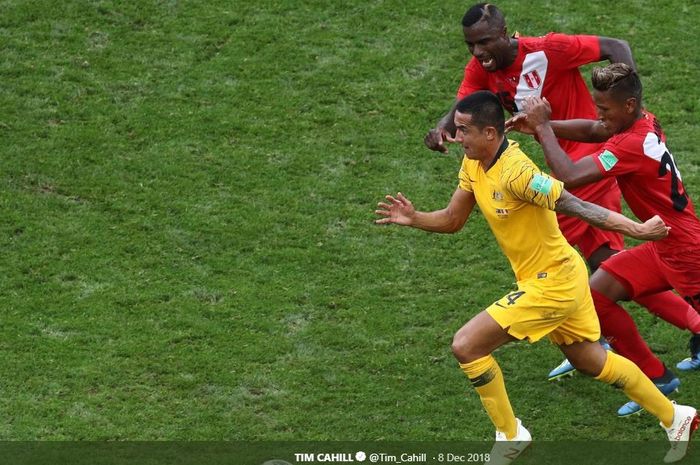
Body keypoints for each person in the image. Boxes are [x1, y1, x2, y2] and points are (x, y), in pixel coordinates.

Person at [376, 91, 697, 465]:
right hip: (553, 277)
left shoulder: (520, 173)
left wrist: (636, 230)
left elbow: (577, 205)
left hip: (553, 283)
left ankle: (511, 436)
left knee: (467, 345)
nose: (456, 136)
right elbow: (452, 219)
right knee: (591, 361)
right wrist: (415, 219)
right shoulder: (474, 164)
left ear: (491, 133)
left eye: (463, 130)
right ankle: (676, 417)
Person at [423, 2, 700, 416]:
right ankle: (658, 382)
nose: (598, 114)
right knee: (601, 287)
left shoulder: (617, 144)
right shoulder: (636, 122)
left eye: (604, 107)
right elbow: (595, 128)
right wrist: (537, 125)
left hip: (667, 239)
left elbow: (570, 178)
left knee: (602, 263)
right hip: (665, 240)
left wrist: (544, 126)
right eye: (471, 44)